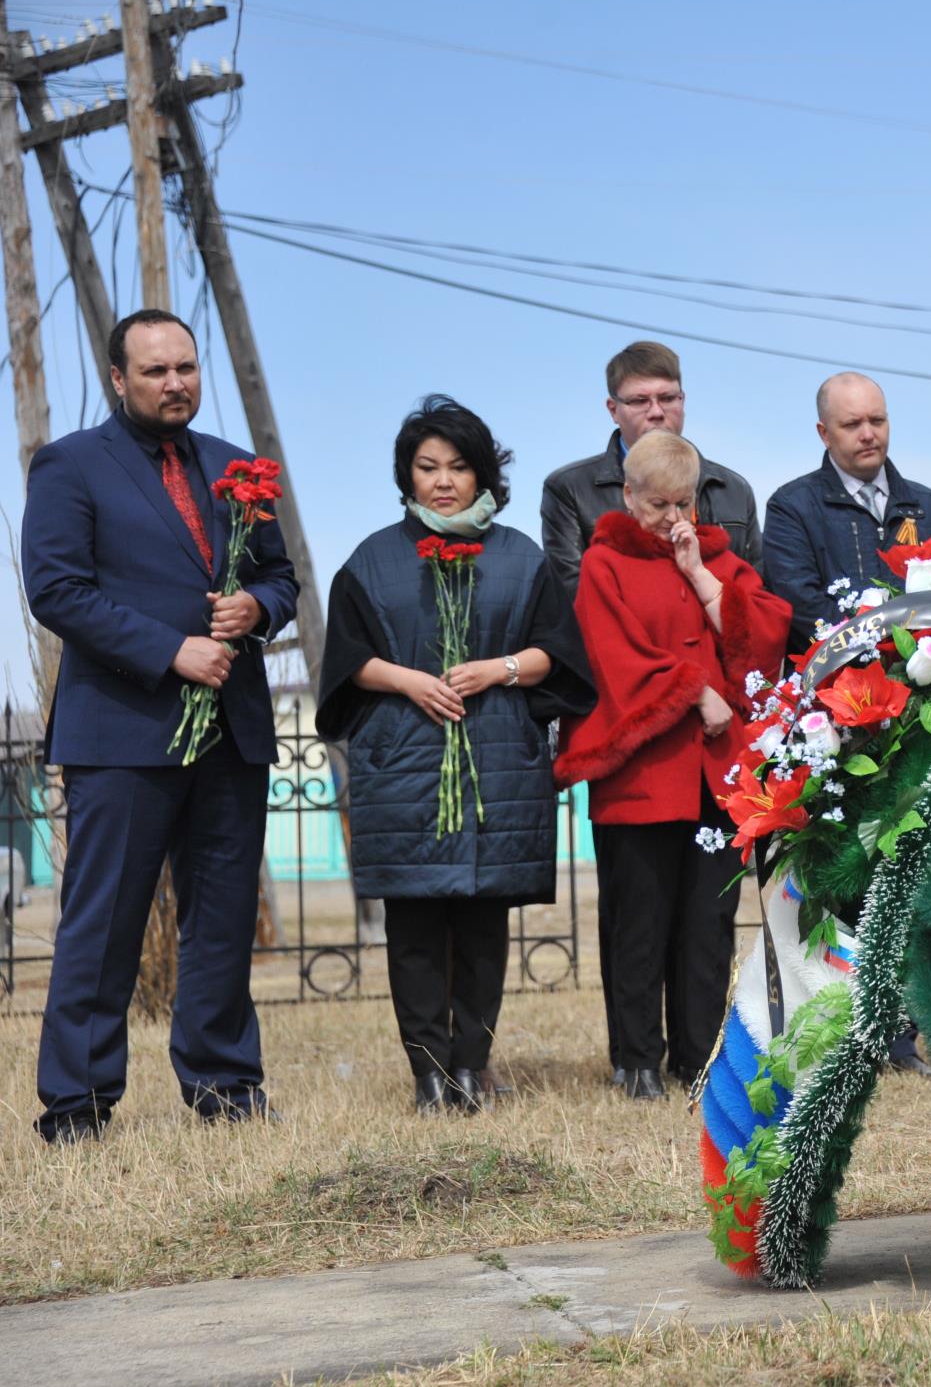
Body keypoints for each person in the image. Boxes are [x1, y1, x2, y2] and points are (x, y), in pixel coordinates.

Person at [22, 308, 299, 1143]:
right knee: (103, 923)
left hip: (231, 731)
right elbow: (57, 590)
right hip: (121, 729)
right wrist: (169, 651)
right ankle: (77, 1104)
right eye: (155, 371)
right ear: (119, 379)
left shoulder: (234, 466)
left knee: (220, 920)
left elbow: (280, 575)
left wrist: (258, 606)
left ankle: (224, 1086)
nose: (174, 382)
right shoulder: (70, 465)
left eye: (185, 367)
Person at [315, 396, 594, 1115]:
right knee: (412, 931)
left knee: (481, 928)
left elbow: (559, 655)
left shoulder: (519, 558)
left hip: (496, 764)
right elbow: (346, 662)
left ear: (483, 475)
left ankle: (472, 1066)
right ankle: (427, 1075)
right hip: (400, 765)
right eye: (427, 467)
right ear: (406, 476)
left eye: (459, 467)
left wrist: (497, 668)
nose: (443, 481)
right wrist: (408, 680)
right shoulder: (372, 560)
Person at [555, 432, 791, 1100]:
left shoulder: (714, 558)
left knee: (706, 924)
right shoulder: (604, 563)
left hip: (713, 778)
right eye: (657, 504)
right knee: (640, 920)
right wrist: (694, 687)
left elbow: (763, 640)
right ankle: (635, 1060)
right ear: (628, 497)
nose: (670, 518)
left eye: (682, 503)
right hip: (640, 776)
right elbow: (612, 656)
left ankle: (697, 1054)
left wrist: (698, 573)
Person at [760, 372, 931, 655]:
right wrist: (880, 651)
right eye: (852, 424)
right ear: (824, 433)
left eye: (877, 421)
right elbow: (802, 607)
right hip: (832, 688)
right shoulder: (791, 508)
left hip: (927, 681)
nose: (868, 434)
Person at [540, 341, 761, 595]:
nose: (656, 411)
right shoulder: (569, 489)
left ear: (683, 400)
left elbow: (757, 591)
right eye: (639, 401)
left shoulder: (733, 489)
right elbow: (577, 597)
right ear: (613, 410)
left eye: (667, 398)